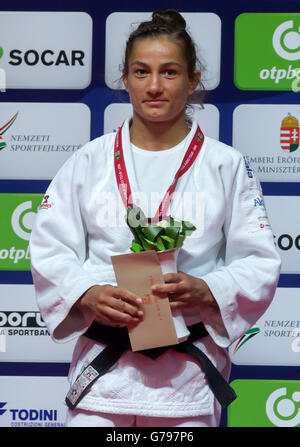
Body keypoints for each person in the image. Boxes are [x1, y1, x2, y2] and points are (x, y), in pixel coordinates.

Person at [29, 10, 281, 427]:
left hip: (186, 382)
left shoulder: (225, 165)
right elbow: (48, 247)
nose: (154, 86)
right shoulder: (89, 161)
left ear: (192, 80)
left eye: (170, 72)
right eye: (141, 71)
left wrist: (207, 289)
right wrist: (87, 293)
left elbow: (260, 261)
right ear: (125, 79)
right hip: (103, 378)